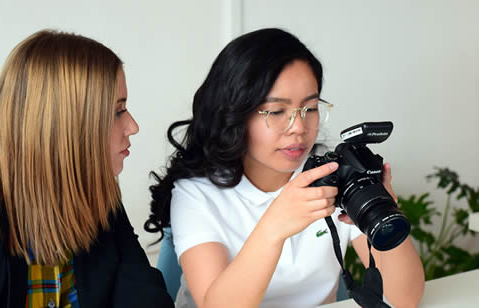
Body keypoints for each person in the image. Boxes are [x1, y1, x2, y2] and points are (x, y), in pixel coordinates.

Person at [145, 28, 424, 308]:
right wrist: (275, 226)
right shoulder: (196, 193)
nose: (299, 128)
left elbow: (406, 299)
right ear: (234, 115)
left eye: (311, 108)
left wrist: (383, 208)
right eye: (277, 111)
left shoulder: (333, 171)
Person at [0, 30, 174, 308]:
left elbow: (147, 298)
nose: (133, 126)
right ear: (68, 124)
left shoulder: (100, 199)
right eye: (118, 111)